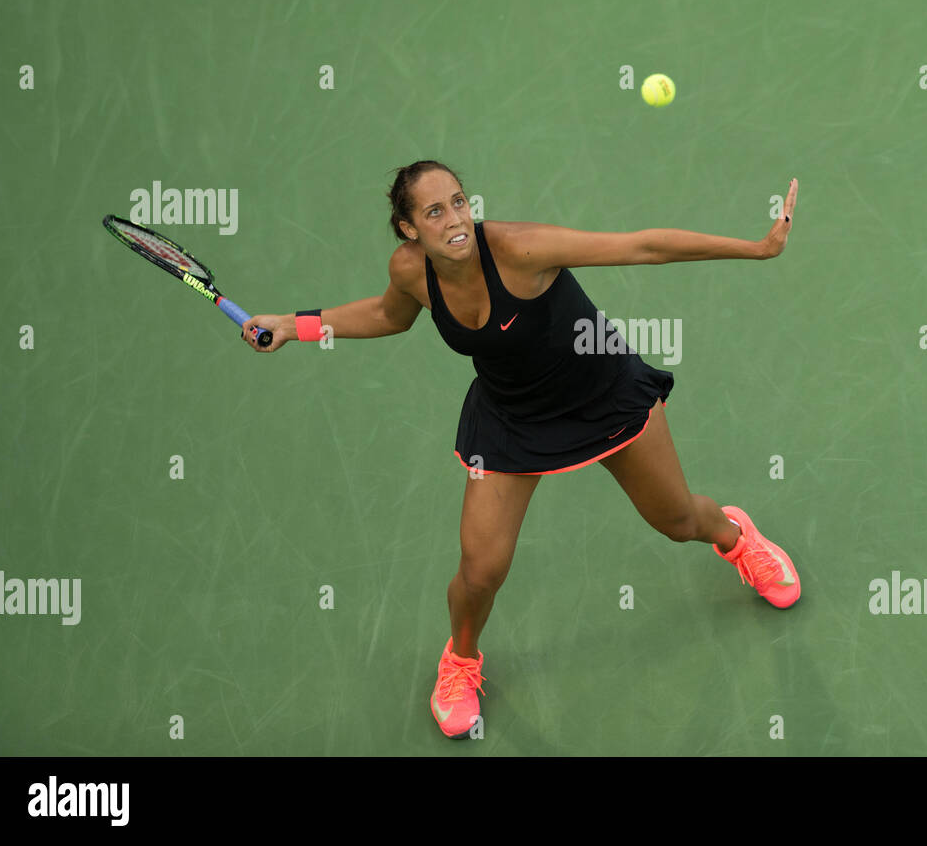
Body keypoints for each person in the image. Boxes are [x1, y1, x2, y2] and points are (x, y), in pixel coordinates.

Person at [241, 161, 802, 739]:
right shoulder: (410, 270)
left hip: (603, 397)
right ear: (409, 229)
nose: (455, 219)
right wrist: (293, 325)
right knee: (480, 570)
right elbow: (388, 315)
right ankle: (460, 661)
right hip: (514, 420)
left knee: (678, 520)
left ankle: (738, 537)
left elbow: (642, 246)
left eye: (459, 202)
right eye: (434, 212)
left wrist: (757, 248)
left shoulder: (520, 248)